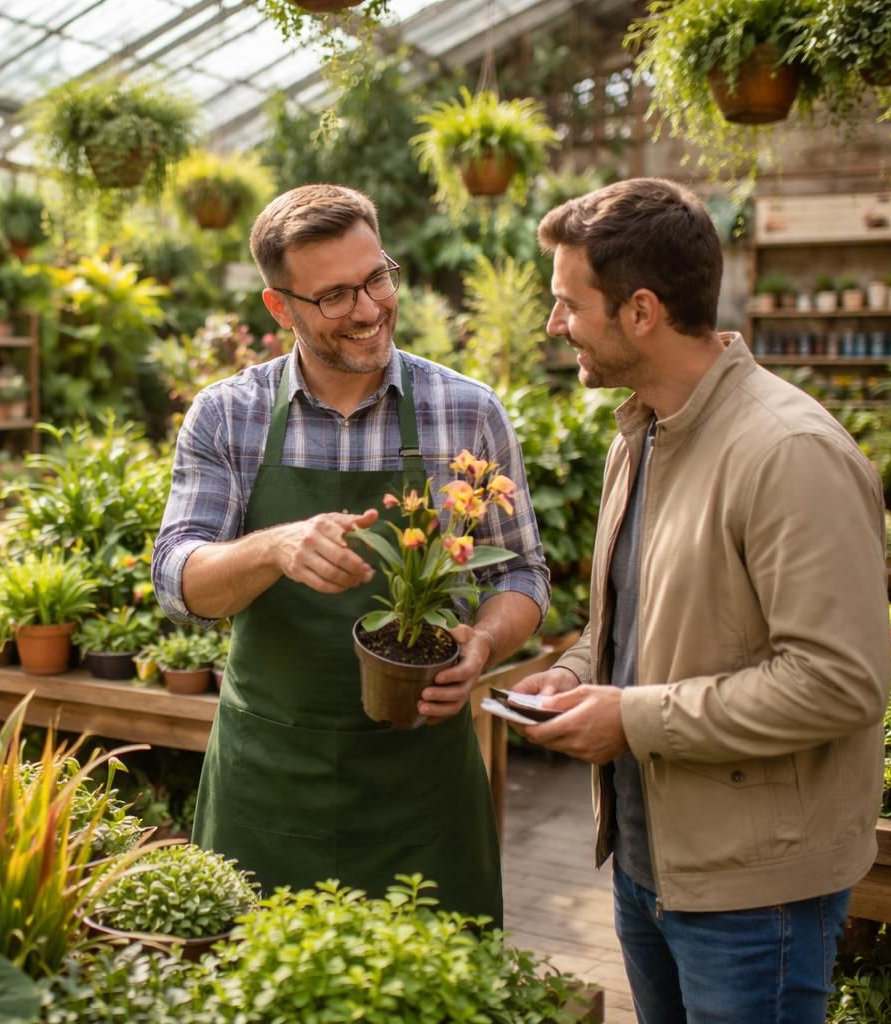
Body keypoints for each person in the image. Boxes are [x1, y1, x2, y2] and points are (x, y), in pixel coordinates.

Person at [511, 177, 889, 1024]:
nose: (554, 324)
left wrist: (633, 718)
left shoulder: (788, 452)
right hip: (651, 868)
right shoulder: (639, 434)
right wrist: (573, 675)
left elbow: (841, 681)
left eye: (569, 304)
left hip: (756, 897)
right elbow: (637, 624)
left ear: (641, 311)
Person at [150, 183, 550, 921]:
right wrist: (274, 547)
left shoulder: (464, 409)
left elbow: (522, 569)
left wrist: (484, 641)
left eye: (376, 278)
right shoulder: (227, 415)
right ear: (280, 308)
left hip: (421, 784)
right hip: (269, 778)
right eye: (334, 296)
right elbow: (180, 581)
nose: (368, 310)